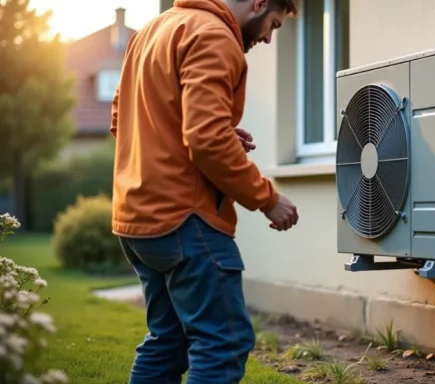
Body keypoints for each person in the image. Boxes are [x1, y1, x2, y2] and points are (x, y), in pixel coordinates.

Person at [109, 0, 299, 383]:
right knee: (223, 343)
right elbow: (206, 139)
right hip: (185, 221)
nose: (267, 38)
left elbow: (122, 120)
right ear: (259, 3)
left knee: (167, 341)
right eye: (273, 25)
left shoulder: (152, 31)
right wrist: (267, 198)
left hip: (137, 220)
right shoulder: (214, 36)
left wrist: (220, 133)